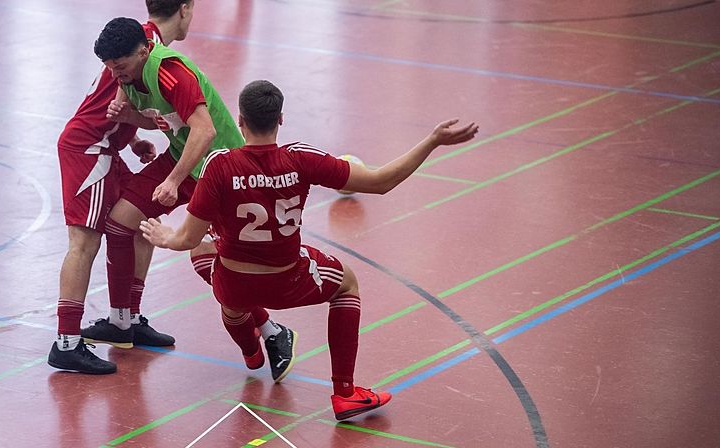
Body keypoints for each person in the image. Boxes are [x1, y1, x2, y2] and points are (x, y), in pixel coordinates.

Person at [140, 80, 479, 420]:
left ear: (240, 120)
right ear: (280, 119)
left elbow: (186, 239)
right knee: (347, 283)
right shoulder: (300, 158)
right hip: (289, 280)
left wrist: (164, 236)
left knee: (207, 257)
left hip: (235, 282)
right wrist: (432, 141)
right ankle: (345, 393)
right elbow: (381, 182)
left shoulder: (219, 165)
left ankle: (251, 350)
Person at [80, 15, 249, 351]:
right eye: (109, 67)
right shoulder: (128, 76)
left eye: (120, 66)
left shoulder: (171, 72)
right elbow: (164, 121)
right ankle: (123, 321)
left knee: (223, 259)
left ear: (144, 51)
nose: (115, 74)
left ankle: (270, 329)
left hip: (218, 168)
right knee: (120, 222)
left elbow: (204, 130)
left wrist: (172, 181)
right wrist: (129, 117)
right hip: (182, 155)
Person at [49, 1, 198, 375]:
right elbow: (114, 101)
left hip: (107, 145)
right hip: (88, 147)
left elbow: (115, 101)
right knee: (84, 243)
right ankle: (66, 342)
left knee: (141, 222)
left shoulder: (141, 41)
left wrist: (130, 139)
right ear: (185, 9)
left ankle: (125, 319)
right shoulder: (142, 45)